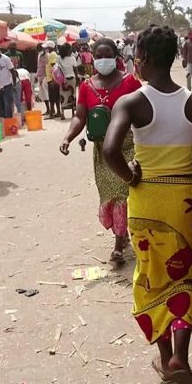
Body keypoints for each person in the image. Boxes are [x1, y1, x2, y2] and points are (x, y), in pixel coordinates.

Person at [103, 26, 192, 384]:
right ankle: (181, 356)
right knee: (185, 276)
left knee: (151, 278)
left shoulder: (132, 102)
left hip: (147, 200)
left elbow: (109, 150)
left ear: (145, 59)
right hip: (185, 203)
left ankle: (167, 359)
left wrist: (130, 176)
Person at [60, 39, 143, 265]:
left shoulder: (130, 82)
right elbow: (80, 116)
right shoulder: (87, 86)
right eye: (98, 55)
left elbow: (144, 111)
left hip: (127, 147)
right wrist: (68, 137)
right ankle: (121, 233)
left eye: (107, 55)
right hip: (101, 151)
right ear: (93, 57)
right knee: (110, 196)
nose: (102, 59)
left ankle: (118, 246)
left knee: (122, 195)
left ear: (116, 56)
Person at [58, 43, 80, 119]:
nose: (71, 50)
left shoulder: (59, 59)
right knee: (72, 95)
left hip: (63, 80)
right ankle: (73, 113)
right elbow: (75, 70)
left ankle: (62, 113)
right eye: (70, 49)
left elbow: (57, 68)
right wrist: (77, 78)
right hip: (72, 78)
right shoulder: (72, 58)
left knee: (63, 96)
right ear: (67, 51)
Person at [0, 46, 16, 119]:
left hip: (7, 86)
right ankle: (4, 124)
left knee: (8, 106)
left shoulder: (6, 59)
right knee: (1, 107)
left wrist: (14, 85)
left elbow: (13, 72)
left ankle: (9, 123)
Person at [45, 42, 62, 120]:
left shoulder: (52, 54)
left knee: (52, 97)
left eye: (47, 47)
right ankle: (58, 111)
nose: (46, 49)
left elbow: (54, 68)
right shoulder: (54, 54)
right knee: (56, 96)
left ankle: (52, 113)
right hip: (53, 79)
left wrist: (52, 80)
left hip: (52, 79)